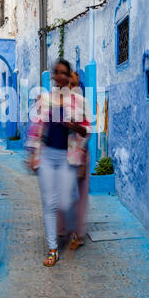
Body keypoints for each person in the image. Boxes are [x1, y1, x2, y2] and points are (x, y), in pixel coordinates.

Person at [26, 59, 92, 266]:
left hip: (68, 157)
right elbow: (36, 127)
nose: (61, 76)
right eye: (57, 72)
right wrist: (31, 153)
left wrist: (75, 126)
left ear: (69, 75)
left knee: (64, 201)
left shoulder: (79, 101)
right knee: (49, 203)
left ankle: (73, 231)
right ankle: (53, 249)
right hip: (47, 155)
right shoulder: (44, 99)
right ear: (53, 76)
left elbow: (87, 130)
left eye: (65, 73)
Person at [57, 71, 91, 249]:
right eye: (68, 84)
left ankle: (77, 234)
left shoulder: (83, 104)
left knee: (78, 196)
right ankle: (62, 230)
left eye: (74, 84)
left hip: (79, 153)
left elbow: (88, 130)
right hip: (62, 155)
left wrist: (73, 127)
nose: (71, 88)